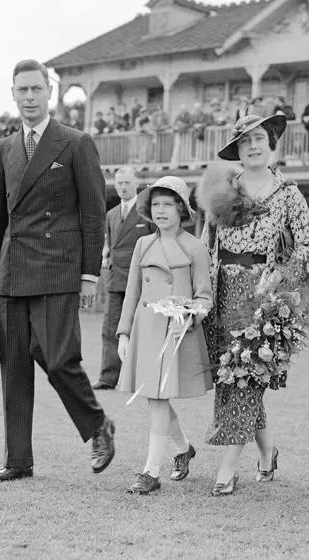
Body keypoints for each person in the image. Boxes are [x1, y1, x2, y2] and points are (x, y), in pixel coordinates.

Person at [0, 59, 115, 483]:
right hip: (14, 271)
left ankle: (97, 426)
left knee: (58, 359)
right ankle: (18, 460)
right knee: (14, 365)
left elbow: (93, 212)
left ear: (49, 93)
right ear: (13, 94)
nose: (30, 98)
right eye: (23, 91)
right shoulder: (5, 149)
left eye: (37, 90)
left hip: (58, 270)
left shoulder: (75, 143)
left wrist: (90, 274)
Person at [199, 113, 309, 496]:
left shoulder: (288, 194)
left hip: (263, 294)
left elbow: (306, 245)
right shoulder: (223, 188)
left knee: (248, 373)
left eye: (260, 137)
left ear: (272, 143)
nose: (253, 145)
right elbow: (206, 244)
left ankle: (227, 469)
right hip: (221, 294)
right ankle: (268, 453)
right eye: (246, 139)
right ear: (237, 147)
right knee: (232, 376)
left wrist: (280, 278)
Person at [116, 176, 213, 494]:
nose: (160, 210)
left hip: (176, 334)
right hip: (146, 331)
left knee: (158, 399)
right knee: (154, 398)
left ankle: (150, 472)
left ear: (181, 209)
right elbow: (132, 292)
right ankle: (183, 448)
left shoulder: (196, 247)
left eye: (167, 204)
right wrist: (124, 333)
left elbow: (204, 297)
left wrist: (187, 315)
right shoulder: (143, 244)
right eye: (155, 204)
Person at [92, 167, 156, 390]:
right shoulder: (110, 215)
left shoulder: (147, 212)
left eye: (127, 183)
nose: (123, 187)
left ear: (136, 183)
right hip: (115, 278)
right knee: (110, 328)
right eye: (119, 183)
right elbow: (109, 246)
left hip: (140, 281)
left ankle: (141, 377)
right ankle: (108, 376)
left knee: (141, 329)